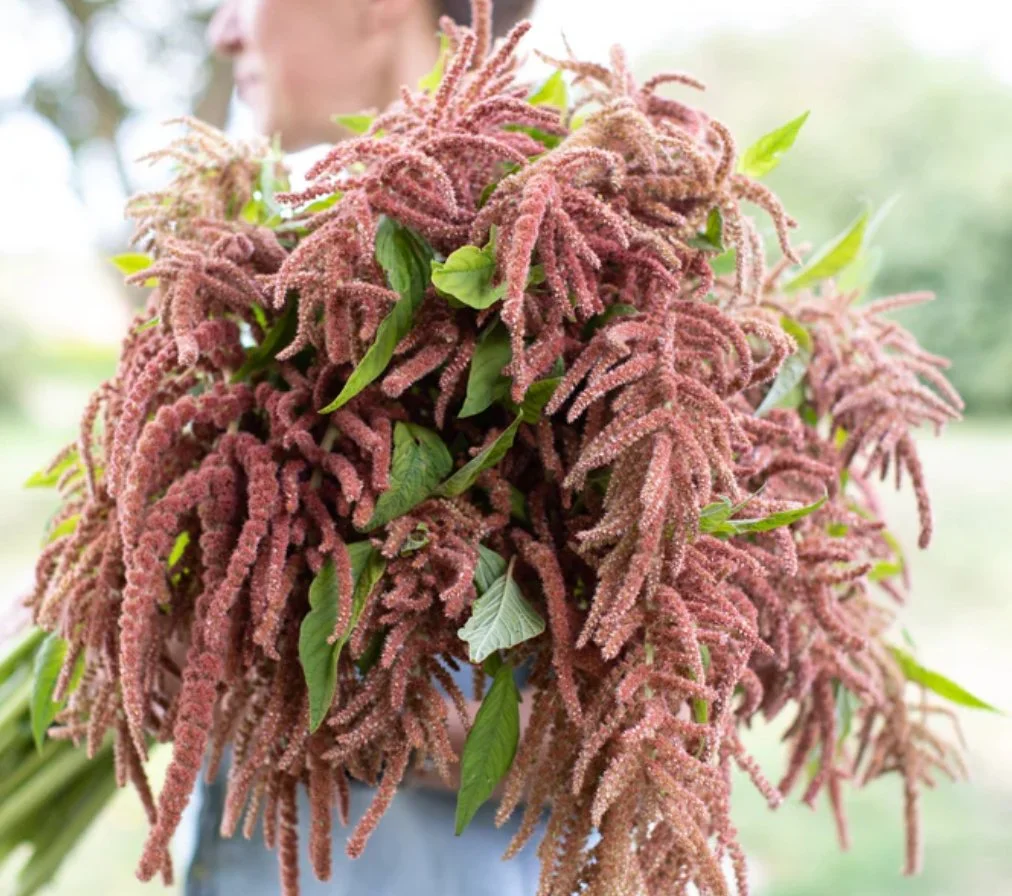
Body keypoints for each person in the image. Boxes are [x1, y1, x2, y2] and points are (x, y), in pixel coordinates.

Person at [183, 2, 542, 894]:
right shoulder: (278, 259)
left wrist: (283, 698)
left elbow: (658, 720)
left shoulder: (581, 245)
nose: (223, 30)